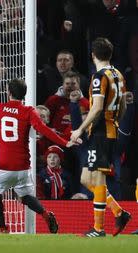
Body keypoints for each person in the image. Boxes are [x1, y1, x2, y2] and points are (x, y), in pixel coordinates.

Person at [0, 78, 78, 234]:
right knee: (24, 197)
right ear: (24, 95)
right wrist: (65, 142)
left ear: (8, 92)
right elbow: (43, 129)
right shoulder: (29, 111)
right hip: (23, 167)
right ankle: (45, 214)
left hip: (5, 165)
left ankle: (3, 228)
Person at [70, 37, 131, 237]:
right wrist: (115, 121)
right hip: (107, 130)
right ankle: (119, 212)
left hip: (101, 133)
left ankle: (98, 229)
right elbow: (122, 106)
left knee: (96, 179)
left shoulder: (99, 77)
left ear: (93, 55)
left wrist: (79, 129)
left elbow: (96, 108)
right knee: (87, 179)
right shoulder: (118, 75)